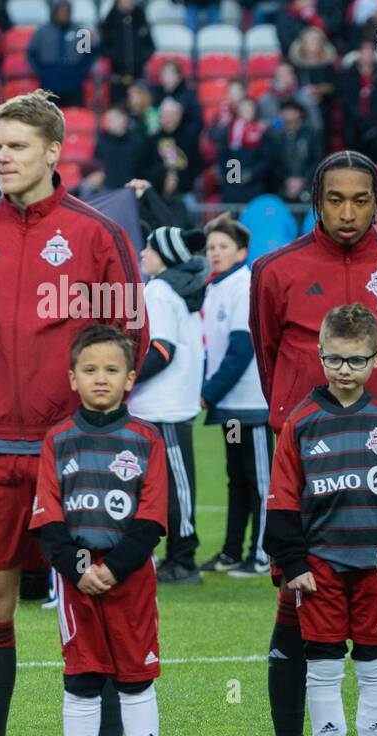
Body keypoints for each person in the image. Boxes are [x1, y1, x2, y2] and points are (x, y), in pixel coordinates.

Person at [0, 90, 148, 736]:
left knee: (98, 599)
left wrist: (84, 422)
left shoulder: (95, 235)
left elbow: (129, 339)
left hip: (75, 452)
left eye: (17, 146)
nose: (2, 157)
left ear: (54, 152)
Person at [246, 151, 377, 736]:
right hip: (308, 472)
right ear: (316, 201)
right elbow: (272, 357)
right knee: (295, 611)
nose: (348, 211)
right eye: (335, 199)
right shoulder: (276, 271)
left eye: (360, 199)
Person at [264, 304, 377, 736]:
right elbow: (283, 501)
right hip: (321, 572)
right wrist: (293, 565)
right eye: (334, 360)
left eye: (356, 361)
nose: (344, 371)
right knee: (325, 666)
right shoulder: (302, 423)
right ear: (319, 355)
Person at [28, 325, 180, 736]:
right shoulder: (57, 440)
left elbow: (153, 517)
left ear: (130, 378)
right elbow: (48, 517)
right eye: (89, 370)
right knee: (82, 675)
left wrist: (112, 569)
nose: (100, 379)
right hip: (76, 583)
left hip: (130, 579)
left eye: (111, 370)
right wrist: (79, 570)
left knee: (136, 676)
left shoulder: (146, 439)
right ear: (72, 377)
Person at [131, 226, 209, 585]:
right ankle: (172, 554)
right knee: (169, 484)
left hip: (162, 404)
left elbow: (161, 350)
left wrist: (127, 379)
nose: (143, 253)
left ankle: (183, 559)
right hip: (171, 402)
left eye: (149, 248)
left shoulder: (160, 290)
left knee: (174, 485)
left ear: (164, 255)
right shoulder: (179, 288)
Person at [198, 214, 272, 578]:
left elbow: (241, 351)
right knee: (236, 477)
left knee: (260, 481)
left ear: (241, 252)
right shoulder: (213, 288)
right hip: (230, 408)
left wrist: (207, 393)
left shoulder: (244, 286)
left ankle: (261, 554)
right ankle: (231, 551)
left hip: (252, 404)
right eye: (211, 247)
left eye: (223, 247)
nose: (215, 253)